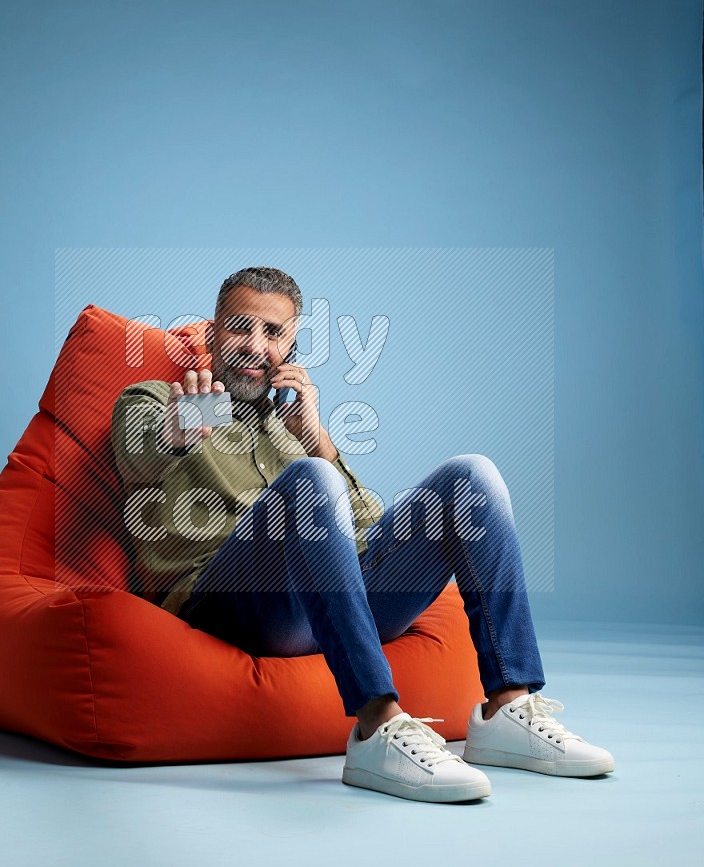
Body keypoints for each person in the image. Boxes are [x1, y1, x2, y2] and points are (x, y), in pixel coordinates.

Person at [111, 265, 614, 804]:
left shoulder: (289, 427)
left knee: (472, 476)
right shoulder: (162, 400)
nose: (254, 346)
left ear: (292, 346)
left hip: (328, 606)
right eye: (239, 328)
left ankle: (507, 707)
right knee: (310, 480)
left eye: (273, 333)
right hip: (230, 606)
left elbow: (367, 529)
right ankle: (377, 725)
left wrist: (318, 440)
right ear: (212, 334)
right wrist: (180, 430)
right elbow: (136, 456)